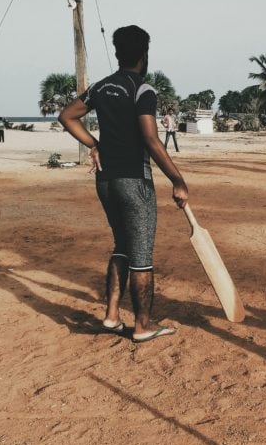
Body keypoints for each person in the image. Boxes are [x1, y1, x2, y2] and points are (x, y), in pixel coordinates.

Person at [58, 24, 188, 343]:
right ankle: (143, 325)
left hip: (105, 181)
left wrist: (94, 144)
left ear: (118, 54)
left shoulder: (101, 88)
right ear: (145, 54)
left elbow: (66, 116)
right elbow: (151, 140)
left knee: (122, 247)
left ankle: (112, 316)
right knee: (142, 254)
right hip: (135, 181)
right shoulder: (143, 90)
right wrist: (178, 180)